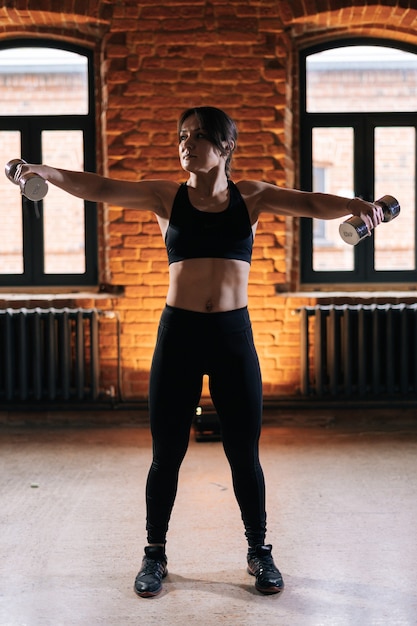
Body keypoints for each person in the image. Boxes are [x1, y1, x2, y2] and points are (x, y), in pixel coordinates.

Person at [11, 106, 384, 598]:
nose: (187, 144)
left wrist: (356, 205)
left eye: (200, 137)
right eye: (183, 135)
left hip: (232, 337)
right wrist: (45, 172)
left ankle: (259, 551)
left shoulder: (251, 196)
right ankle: (154, 554)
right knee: (167, 453)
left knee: (243, 453)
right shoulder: (166, 196)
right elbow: (100, 187)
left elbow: (311, 202)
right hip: (180, 334)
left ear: (226, 146)